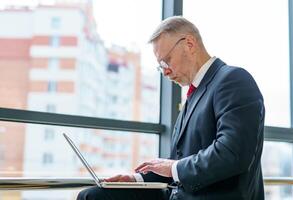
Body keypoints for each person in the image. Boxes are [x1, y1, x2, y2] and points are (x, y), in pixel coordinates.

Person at [77, 16, 265, 200]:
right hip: (179, 194)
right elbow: (177, 163)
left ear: (189, 44)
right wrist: (136, 179)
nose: (165, 71)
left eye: (166, 60)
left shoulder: (233, 80)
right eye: (161, 66)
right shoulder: (194, 95)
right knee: (93, 196)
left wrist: (173, 168)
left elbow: (232, 153)